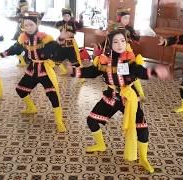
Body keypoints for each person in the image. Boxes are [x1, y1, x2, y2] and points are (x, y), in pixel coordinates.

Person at [66, 29, 170, 173]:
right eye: (116, 41)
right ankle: (100, 145)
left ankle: (143, 159)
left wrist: (154, 72)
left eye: (122, 41)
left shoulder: (129, 61)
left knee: (142, 129)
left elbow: (140, 71)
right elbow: (91, 72)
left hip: (128, 98)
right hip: (112, 96)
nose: (120, 44)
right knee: (91, 120)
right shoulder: (103, 61)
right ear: (110, 44)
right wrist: (74, 71)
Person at [0, 12, 66, 133]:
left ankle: (59, 121)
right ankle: (31, 107)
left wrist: (55, 59)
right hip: (32, 68)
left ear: (37, 24)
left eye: (31, 24)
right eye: (26, 25)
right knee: (20, 89)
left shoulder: (46, 38)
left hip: (45, 69)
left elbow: (58, 50)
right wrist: (4, 53)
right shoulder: (23, 38)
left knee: (53, 95)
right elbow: (16, 48)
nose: (29, 27)